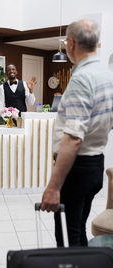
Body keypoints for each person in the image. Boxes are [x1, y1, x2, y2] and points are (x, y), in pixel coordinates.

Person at [41, 19, 113, 247]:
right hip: (95, 165)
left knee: (67, 237)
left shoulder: (81, 79)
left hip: (77, 168)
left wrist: (53, 187)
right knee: (77, 230)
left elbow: (73, 138)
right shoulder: (106, 74)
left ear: (71, 43)